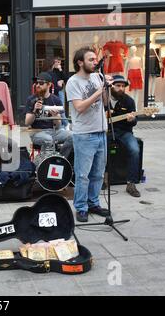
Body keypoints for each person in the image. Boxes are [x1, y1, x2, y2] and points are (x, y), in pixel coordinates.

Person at [65, 46, 112, 223]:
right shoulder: (73, 82)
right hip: (84, 134)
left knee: (98, 174)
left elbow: (106, 103)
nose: (95, 62)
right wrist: (98, 92)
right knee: (83, 174)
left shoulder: (97, 77)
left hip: (101, 131)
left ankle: (93, 203)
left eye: (95, 59)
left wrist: (106, 89)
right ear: (80, 62)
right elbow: (79, 107)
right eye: (91, 60)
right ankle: (81, 207)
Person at [25, 72, 73, 159]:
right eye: (37, 83)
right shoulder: (31, 99)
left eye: (41, 83)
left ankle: (60, 159)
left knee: (73, 136)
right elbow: (27, 122)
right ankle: (46, 163)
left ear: (49, 85)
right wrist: (34, 111)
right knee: (48, 139)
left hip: (53, 131)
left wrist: (56, 116)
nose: (38, 85)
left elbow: (58, 125)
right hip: (36, 132)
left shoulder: (56, 100)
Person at [109, 75, 141, 198]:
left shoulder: (129, 101)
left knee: (135, 149)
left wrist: (131, 120)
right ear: (111, 86)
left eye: (123, 86)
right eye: (118, 86)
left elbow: (135, 122)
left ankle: (131, 183)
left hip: (124, 132)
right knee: (99, 148)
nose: (121, 88)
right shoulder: (103, 99)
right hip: (106, 131)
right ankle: (103, 178)